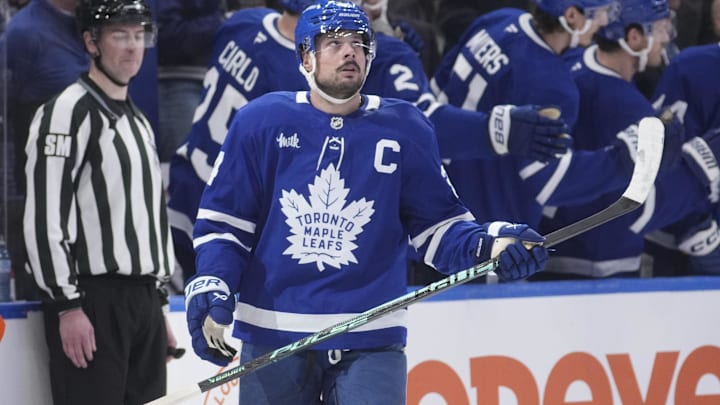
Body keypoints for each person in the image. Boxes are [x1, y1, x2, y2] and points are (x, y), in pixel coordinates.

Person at [183, 2, 549, 404]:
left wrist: (492, 244)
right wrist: (214, 282)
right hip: (275, 334)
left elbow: (439, 229)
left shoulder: (406, 127)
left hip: (371, 335)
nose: (349, 52)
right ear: (306, 56)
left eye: (359, 43)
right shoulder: (260, 122)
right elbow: (225, 224)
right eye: (335, 42)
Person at [168, 0, 571, 280]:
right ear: (307, 56)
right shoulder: (309, 81)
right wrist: (490, 130)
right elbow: (420, 120)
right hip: (249, 227)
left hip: (192, 198)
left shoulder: (244, 22)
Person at [23, 1, 177, 403]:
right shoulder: (66, 112)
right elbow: (44, 218)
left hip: (144, 302)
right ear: (91, 42)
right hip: (94, 300)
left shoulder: (139, 121)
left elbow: (149, 219)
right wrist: (67, 306)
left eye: (139, 35)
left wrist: (158, 309)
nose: (133, 46)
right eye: (119, 35)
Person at [531, 0, 719, 280]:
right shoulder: (632, 110)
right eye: (661, 29)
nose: (667, 38)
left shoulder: (575, 64)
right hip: (599, 263)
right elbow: (642, 208)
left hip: (551, 246)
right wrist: (703, 163)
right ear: (634, 37)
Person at [2, 0, 88, 300]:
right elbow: (7, 119)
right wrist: (16, 204)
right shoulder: (24, 35)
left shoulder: (99, 22)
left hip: (94, 200)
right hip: (40, 201)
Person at [156, 0, 225, 164]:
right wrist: (221, 22)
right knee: (183, 165)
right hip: (177, 82)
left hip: (214, 80)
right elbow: (169, 37)